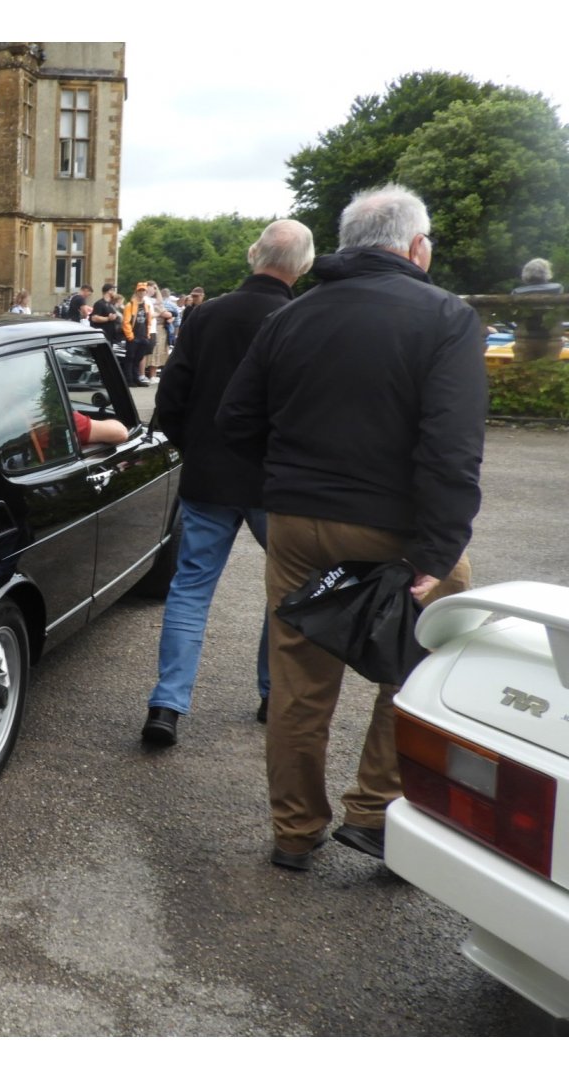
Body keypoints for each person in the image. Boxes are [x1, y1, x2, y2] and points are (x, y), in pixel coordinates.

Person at [217, 184, 485, 871]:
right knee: (426, 660)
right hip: (395, 526)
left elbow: (235, 423)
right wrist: (439, 548)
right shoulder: (446, 317)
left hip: (298, 523)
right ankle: (375, 809)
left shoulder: (294, 316)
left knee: (299, 679)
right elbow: (451, 448)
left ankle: (295, 830)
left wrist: (284, 485)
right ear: (416, 246)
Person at [140, 220, 315, 748]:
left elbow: (172, 396)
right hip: (275, 481)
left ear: (252, 254)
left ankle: (167, 705)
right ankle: (271, 694)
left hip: (210, 473)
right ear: (303, 266)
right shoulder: (303, 320)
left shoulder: (207, 314)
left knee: (190, 590)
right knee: (286, 590)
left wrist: (192, 448)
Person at [120, 283, 153, 386]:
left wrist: (147, 335)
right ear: (136, 291)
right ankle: (129, 380)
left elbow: (148, 321)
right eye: (140, 290)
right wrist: (130, 336)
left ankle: (136, 378)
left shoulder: (147, 306)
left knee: (138, 359)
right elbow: (126, 322)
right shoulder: (130, 305)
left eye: (143, 290)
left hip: (143, 336)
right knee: (130, 358)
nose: (142, 292)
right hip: (133, 337)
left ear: (146, 292)